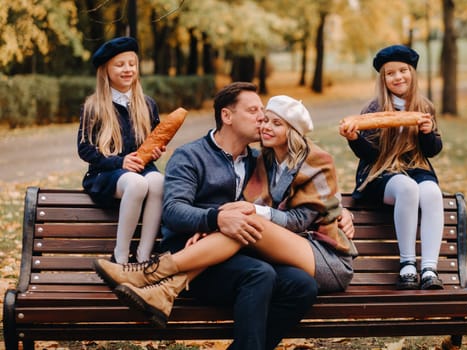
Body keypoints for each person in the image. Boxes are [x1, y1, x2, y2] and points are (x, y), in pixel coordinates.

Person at [93, 84, 355, 349]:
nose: (261, 119)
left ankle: (159, 281)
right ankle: (156, 275)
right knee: (260, 273)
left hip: (242, 247)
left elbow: (301, 197)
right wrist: (215, 220)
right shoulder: (190, 156)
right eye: (254, 111)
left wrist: (340, 212)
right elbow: (173, 212)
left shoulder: (259, 160)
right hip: (192, 250)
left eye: (266, 114)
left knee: (302, 286)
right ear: (227, 116)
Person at [339, 44, 444, 290]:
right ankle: (407, 264)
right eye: (390, 73)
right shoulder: (373, 109)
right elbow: (370, 154)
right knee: (407, 188)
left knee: (431, 192)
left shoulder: (425, 107)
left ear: (412, 73)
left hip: (415, 168)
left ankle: (429, 268)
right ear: (383, 79)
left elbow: (432, 151)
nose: (397, 77)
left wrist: (427, 134)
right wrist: (355, 139)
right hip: (381, 173)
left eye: (403, 71)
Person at [78, 36, 165, 264]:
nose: (127, 70)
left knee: (158, 182)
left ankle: (144, 256)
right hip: (106, 174)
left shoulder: (147, 104)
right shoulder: (94, 106)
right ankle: (120, 256)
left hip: (142, 168)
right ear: (105, 70)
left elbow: (155, 139)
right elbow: (85, 149)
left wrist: (156, 151)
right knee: (137, 184)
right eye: (120, 65)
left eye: (132, 64)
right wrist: (120, 163)